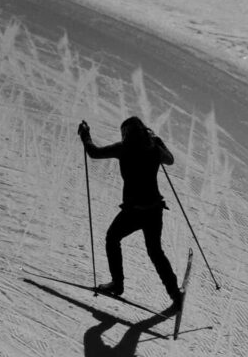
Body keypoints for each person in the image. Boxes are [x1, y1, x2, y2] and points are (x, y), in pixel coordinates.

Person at [78, 116, 182, 307]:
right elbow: (170, 160)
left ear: (126, 133)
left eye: (124, 132)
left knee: (112, 238)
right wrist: (158, 143)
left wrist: (85, 135)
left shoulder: (123, 147)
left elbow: (94, 153)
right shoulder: (153, 146)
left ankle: (117, 284)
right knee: (155, 251)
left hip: (134, 211)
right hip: (153, 209)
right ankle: (175, 294)